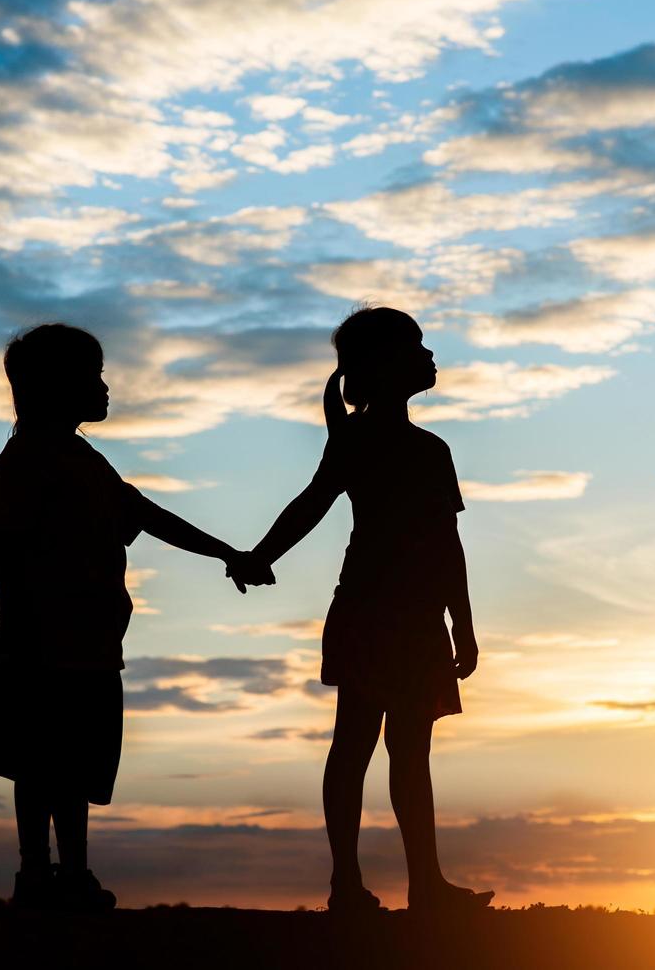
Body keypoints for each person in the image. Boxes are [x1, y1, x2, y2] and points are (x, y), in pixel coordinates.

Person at [0, 322, 271, 911]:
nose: (105, 387)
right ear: (57, 385)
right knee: (43, 767)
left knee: (72, 768)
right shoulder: (33, 458)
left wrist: (228, 554)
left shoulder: (80, 459)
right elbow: (11, 557)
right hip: (42, 643)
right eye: (92, 375)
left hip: (85, 644)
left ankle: (70, 875)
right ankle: (38, 873)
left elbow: (147, 514)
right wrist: (24, 626)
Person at [232, 306, 493, 914]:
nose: (430, 357)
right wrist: (258, 554)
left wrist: (463, 623)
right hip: (377, 613)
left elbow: (445, 545)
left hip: (407, 615)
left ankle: (415, 883)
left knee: (398, 749)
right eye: (418, 347)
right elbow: (312, 505)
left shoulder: (424, 449)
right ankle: (354, 884)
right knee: (364, 744)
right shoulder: (372, 445)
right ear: (385, 365)